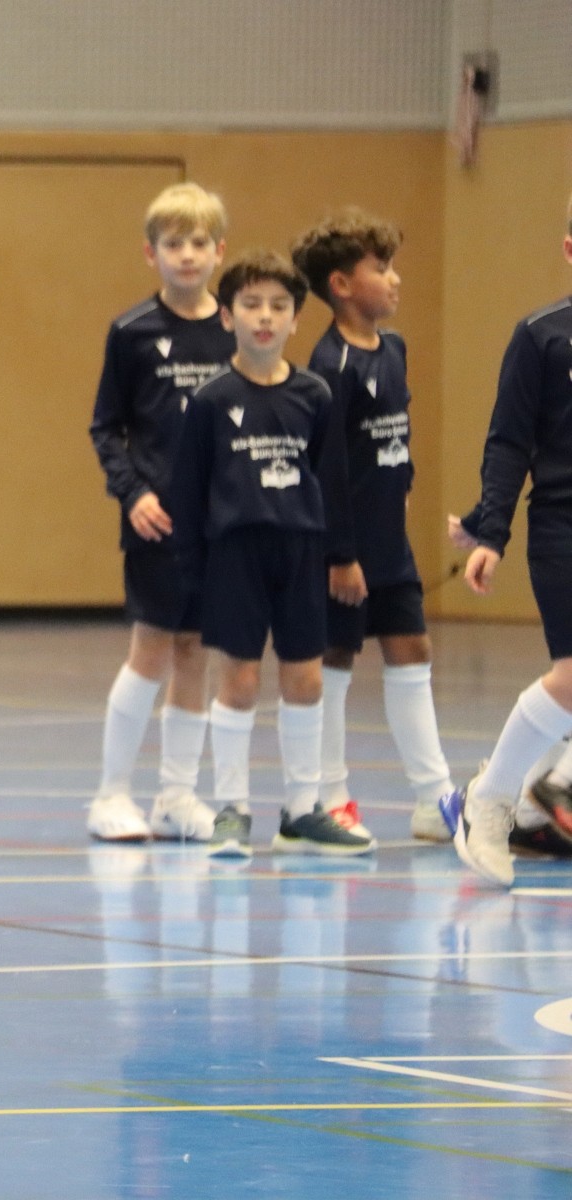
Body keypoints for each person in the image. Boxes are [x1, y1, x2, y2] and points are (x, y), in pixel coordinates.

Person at [166, 250, 374, 859]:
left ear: (296, 319)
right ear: (227, 316)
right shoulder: (210, 400)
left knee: (305, 679)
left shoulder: (315, 394)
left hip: (301, 551)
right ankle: (232, 809)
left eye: (279, 306)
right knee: (240, 681)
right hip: (235, 555)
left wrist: (343, 554)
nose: (265, 317)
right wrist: (190, 574)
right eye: (252, 305)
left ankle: (302, 810)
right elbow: (188, 492)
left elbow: (331, 480)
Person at [290, 211, 455, 843]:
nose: (395, 279)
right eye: (381, 269)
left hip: (390, 542)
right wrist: (340, 554)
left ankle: (434, 799)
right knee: (336, 657)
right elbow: (327, 467)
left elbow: (395, 436)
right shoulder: (329, 365)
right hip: (344, 547)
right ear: (340, 285)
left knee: (412, 649)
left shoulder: (395, 349)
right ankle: (331, 794)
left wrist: (404, 487)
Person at [86, 183, 235, 843]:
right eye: (174, 244)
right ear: (151, 254)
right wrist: (134, 493)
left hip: (218, 525)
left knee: (195, 652)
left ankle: (176, 796)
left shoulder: (235, 329)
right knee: (149, 651)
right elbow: (105, 427)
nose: (188, 255)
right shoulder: (132, 332)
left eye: (199, 242)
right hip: (157, 522)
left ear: (219, 251)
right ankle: (111, 794)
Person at [441, 193, 572, 888]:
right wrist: (490, 530)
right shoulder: (541, 336)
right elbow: (509, 441)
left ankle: (534, 796)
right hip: (562, 526)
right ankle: (488, 800)